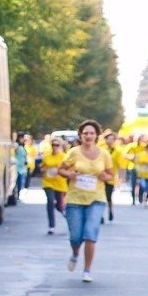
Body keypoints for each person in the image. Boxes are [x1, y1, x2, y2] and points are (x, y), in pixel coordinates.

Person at [58, 119, 114, 283]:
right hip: (75, 199)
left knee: (90, 234)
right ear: (81, 135)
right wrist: (69, 174)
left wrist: (105, 176)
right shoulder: (73, 152)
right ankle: (75, 253)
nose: (88, 136)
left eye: (91, 133)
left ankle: (87, 270)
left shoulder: (104, 154)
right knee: (76, 236)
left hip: (96, 198)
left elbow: (111, 175)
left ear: (96, 135)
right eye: (85, 133)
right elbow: (61, 169)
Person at [41, 136, 68, 234]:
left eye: (57, 145)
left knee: (60, 206)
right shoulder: (47, 156)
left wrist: (60, 171)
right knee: (50, 201)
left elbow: (68, 169)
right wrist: (45, 170)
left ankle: (67, 215)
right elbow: (42, 168)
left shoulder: (64, 157)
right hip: (48, 182)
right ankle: (51, 226)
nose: (55, 147)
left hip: (60, 183)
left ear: (60, 146)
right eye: (53, 145)